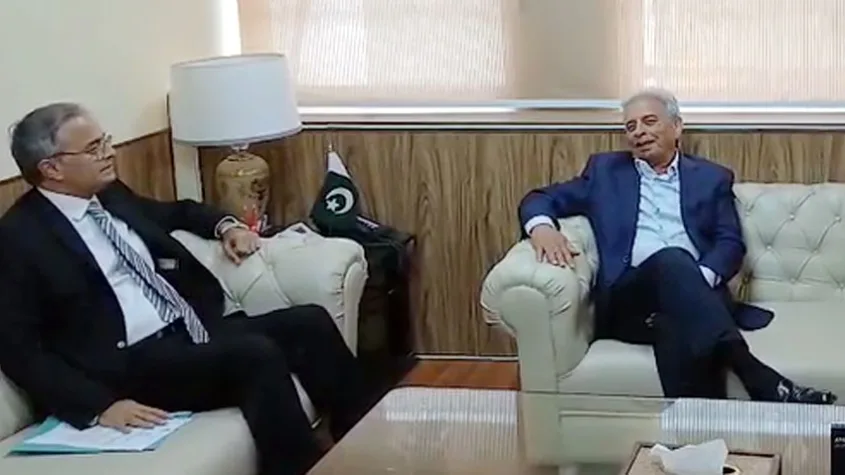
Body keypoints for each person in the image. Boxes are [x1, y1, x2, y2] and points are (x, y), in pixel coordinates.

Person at [0, 103, 369, 475]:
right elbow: (19, 348)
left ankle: (368, 451)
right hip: (128, 364)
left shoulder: (109, 195)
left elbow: (177, 213)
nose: (109, 153)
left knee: (310, 323)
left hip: (187, 330)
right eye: (94, 148)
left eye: (106, 141)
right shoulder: (19, 238)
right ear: (51, 169)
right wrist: (98, 406)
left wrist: (227, 226)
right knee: (255, 356)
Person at [519, 88, 836, 404]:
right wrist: (542, 227)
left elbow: (729, 242)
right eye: (630, 126)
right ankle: (755, 374)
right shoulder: (605, 173)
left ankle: (699, 431)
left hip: (692, 298)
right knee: (672, 259)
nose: (639, 132)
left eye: (649, 121)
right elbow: (540, 198)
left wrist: (695, 281)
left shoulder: (711, 178)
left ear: (677, 127)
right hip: (631, 299)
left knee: (674, 325)